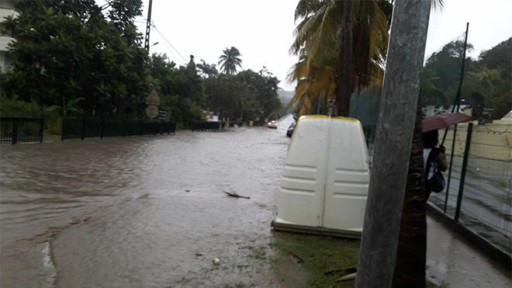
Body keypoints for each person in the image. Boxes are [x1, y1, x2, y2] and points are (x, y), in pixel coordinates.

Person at [423, 129, 447, 200]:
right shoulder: (436, 153)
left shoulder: (417, 149)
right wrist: (443, 153)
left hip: (415, 178)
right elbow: (444, 167)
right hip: (427, 182)